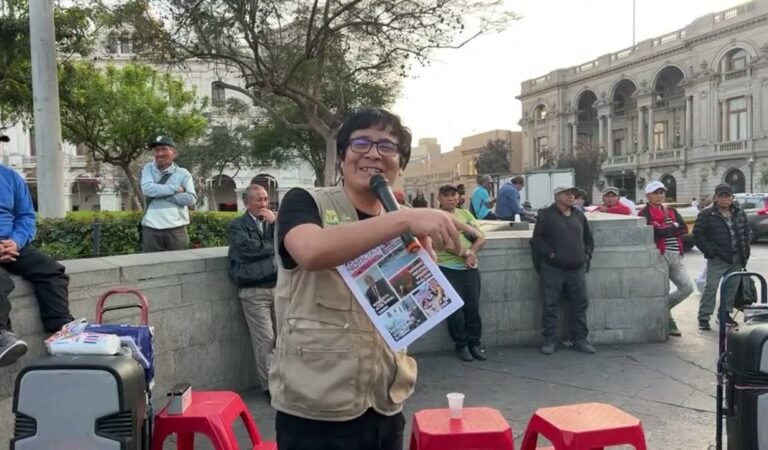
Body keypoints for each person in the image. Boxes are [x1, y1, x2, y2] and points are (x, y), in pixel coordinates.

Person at [270, 108, 462, 450]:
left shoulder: (404, 221)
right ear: (342, 157)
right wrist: (403, 221)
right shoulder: (304, 201)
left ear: (400, 165)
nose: (374, 154)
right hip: (315, 408)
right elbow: (310, 251)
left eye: (387, 147)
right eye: (361, 143)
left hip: (384, 402)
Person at [0, 133, 73, 367]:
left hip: (11, 243)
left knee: (51, 272)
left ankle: (61, 333)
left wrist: (15, 242)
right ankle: (2, 337)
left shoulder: (10, 177)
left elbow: (26, 217)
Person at [531, 185, 596, 355]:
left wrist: (586, 256)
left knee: (580, 304)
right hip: (553, 269)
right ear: (557, 196)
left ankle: (580, 339)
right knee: (550, 305)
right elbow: (537, 240)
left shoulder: (579, 215)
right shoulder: (545, 215)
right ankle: (550, 340)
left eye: (573, 194)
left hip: (577, 269)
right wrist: (551, 255)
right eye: (567, 194)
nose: (571, 197)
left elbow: (589, 239)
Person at [227, 184, 278, 397]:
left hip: (278, 286)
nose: (263, 204)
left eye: (266, 199)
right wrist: (271, 245)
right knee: (265, 341)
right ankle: (271, 388)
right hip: (254, 291)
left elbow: (287, 243)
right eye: (258, 200)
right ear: (246, 203)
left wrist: (275, 226)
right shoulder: (237, 225)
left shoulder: (273, 224)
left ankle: (286, 383)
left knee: (284, 338)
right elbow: (248, 249)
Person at [436, 184, 487, 362]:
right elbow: (443, 243)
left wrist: (471, 253)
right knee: (455, 311)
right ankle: (461, 345)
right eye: (446, 195)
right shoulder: (437, 217)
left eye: (454, 195)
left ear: (458, 198)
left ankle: (475, 343)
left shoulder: (465, 215)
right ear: (439, 199)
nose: (451, 198)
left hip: (470, 269)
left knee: (473, 308)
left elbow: (480, 237)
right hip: (448, 269)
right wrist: (465, 253)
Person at [638, 181, 693, 337]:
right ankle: (668, 322)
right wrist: (672, 227)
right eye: (656, 192)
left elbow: (683, 228)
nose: (660, 195)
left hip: (676, 255)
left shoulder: (672, 211)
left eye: (662, 192)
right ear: (648, 195)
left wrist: (667, 228)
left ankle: (662, 308)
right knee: (663, 290)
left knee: (687, 287)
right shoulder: (644, 213)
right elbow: (656, 232)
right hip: (659, 256)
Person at [693, 184, 751, 330]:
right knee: (710, 288)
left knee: (731, 288)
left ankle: (725, 314)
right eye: (721, 196)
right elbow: (698, 235)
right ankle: (704, 317)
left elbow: (746, 232)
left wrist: (746, 251)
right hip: (717, 258)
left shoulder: (739, 212)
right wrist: (710, 251)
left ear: (732, 198)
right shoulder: (706, 214)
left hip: (737, 258)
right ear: (716, 198)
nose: (725, 199)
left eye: (727, 196)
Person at [140, 135, 197, 252]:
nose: (159, 153)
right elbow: (147, 189)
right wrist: (175, 188)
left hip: (177, 230)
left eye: (164, 149)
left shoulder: (183, 173)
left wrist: (161, 193)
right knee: (150, 267)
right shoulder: (148, 169)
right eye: (156, 150)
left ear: (174, 153)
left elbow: (191, 199)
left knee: (179, 267)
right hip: (151, 229)